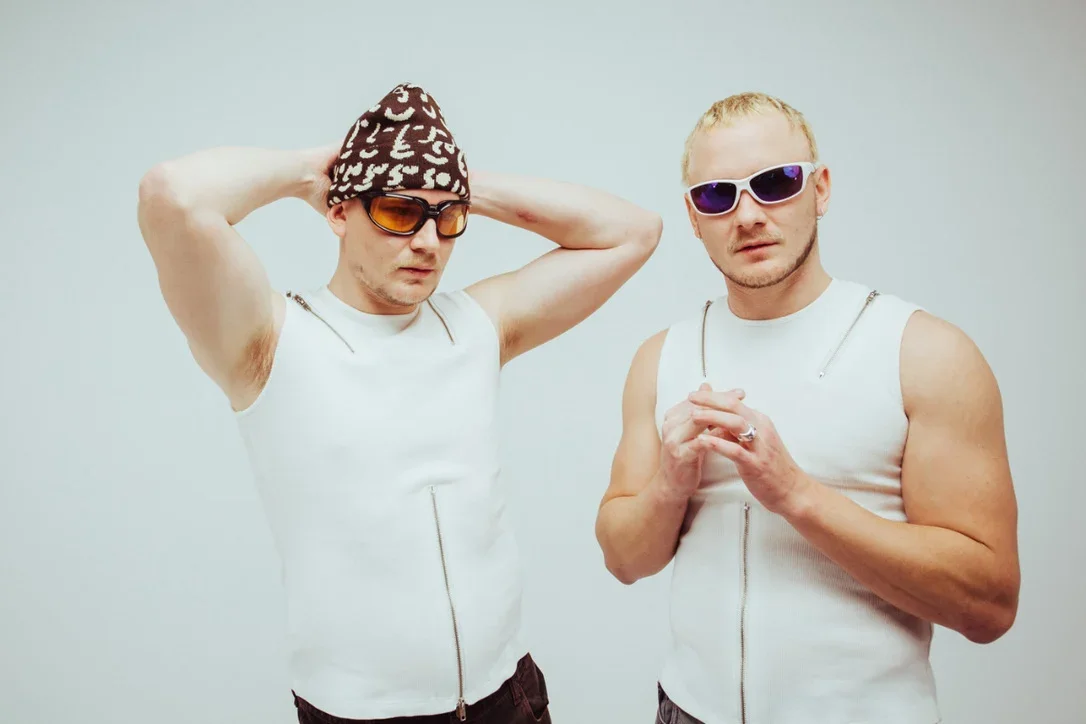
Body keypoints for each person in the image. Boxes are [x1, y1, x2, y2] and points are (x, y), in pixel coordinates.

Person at [136, 82, 661, 723]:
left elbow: (633, 232)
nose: (427, 241)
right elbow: (172, 195)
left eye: (447, 219)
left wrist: (457, 181)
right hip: (362, 715)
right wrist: (310, 171)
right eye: (397, 211)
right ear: (338, 212)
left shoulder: (474, 326)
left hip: (510, 696)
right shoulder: (269, 341)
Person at [594, 92, 1020, 724]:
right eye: (718, 195)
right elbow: (625, 560)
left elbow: (988, 607)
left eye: (775, 183)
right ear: (693, 216)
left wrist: (794, 494)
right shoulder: (661, 358)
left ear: (819, 188)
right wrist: (669, 484)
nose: (748, 216)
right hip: (686, 711)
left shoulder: (925, 354)